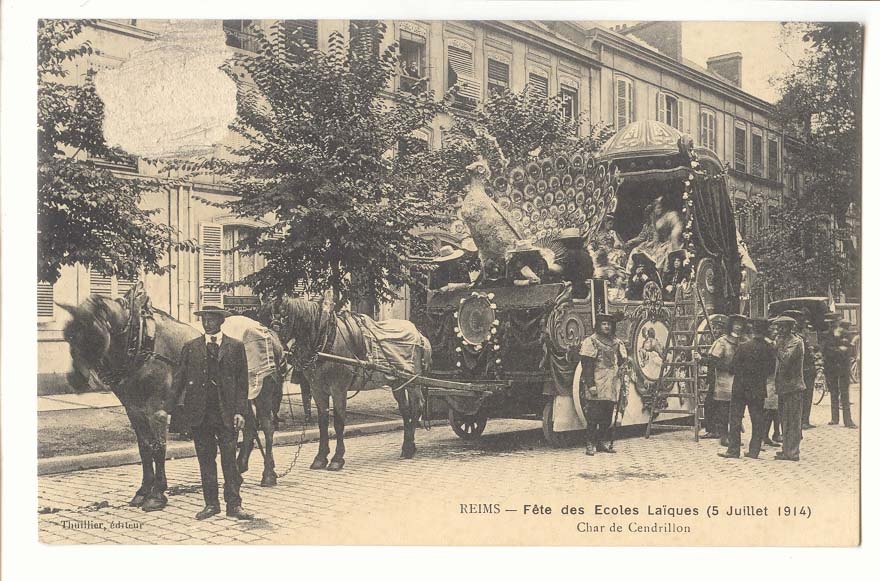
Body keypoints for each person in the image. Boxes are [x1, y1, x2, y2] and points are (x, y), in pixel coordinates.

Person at [158, 306, 254, 520]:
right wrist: (167, 409)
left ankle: (234, 505)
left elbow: (242, 383)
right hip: (200, 413)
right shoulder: (191, 347)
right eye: (204, 320)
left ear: (221, 321)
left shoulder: (235, 347)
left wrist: (241, 412)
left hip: (226, 414)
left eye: (211, 320)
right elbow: (179, 380)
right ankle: (211, 504)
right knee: (206, 460)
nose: (207, 323)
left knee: (229, 461)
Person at [719, 319, 775, 459]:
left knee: (736, 419)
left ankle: (733, 450)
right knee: (757, 419)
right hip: (757, 388)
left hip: (740, 388)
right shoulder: (769, 348)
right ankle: (753, 451)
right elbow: (771, 370)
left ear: (753, 330)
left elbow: (732, 368)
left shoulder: (744, 347)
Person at [578, 313, 627, 456]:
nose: (607, 327)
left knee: (607, 416)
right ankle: (590, 443)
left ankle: (600, 442)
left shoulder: (616, 342)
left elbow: (622, 360)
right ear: (599, 326)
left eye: (609, 324)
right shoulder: (591, 341)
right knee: (594, 415)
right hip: (597, 382)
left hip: (611, 384)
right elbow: (587, 365)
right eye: (604, 324)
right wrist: (590, 384)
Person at [705, 314, 747, 447]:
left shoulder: (745, 341)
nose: (738, 327)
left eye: (741, 324)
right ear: (731, 326)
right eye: (736, 324)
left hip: (740, 380)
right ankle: (724, 436)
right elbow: (713, 360)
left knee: (737, 411)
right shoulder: (722, 342)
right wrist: (728, 368)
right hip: (724, 381)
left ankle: (734, 436)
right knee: (723, 410)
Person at [781, 310, 823, 430]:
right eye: (801, 321)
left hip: (808, 370)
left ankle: (805, 419)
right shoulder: (796, 337)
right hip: (802, 370)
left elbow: (811, 351)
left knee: (807, 396)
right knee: (802, 397)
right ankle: (801, 420)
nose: (804, 324)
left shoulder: (803, 335)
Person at [773, 316, 806, 462]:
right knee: (784, 420)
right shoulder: (782, 341)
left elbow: (786, 359)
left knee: (793, 420)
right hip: (783, 387)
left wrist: (776, 347)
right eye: (778, 327)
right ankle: (786, 449)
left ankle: (792, 452)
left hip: (793, 387)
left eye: (783, 327)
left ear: (790, 328)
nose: (779, 330)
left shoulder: (796, 342)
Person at [821, 314, 857, 428]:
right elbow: (825, 350)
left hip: (843, 368)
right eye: (830, 323)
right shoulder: (825, 335)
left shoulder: (846, 333)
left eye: (833, 322)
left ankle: (848, 420)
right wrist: (839, 350)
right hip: (831, 368)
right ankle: (834, 418)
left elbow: (850, 349)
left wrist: (839, 350)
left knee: (845, 394)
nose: (831, 325)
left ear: (838, 321)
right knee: (834, 393)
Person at [547, 228, 593, 299]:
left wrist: (548, 266)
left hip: (574, 289)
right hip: (586, 288)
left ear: (568, 242)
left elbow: (561, 270)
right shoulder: (586, 254)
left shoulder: (570, 254)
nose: (563, 245)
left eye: (564, 242)